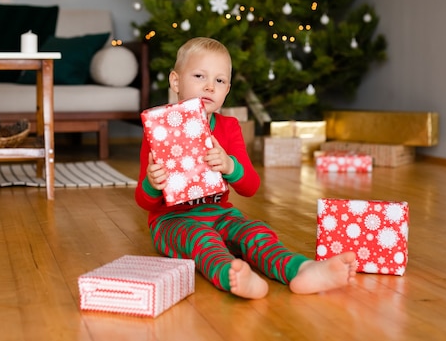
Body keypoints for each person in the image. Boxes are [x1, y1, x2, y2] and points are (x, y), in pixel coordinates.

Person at [135, 37, 357, 299]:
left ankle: (302, 269)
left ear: (227, 89)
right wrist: (153, 181)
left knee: (255, 232)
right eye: (199, 76)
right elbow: (144, 201)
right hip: (171, 221)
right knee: (201, 239)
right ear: (176, 82)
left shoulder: (229, 128)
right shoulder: (161, 130)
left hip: (220, 213)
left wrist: (230, 165)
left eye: (219, 81)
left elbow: (251, 187)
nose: (209, 86)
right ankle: (235, 276)